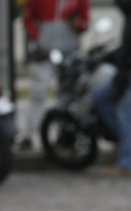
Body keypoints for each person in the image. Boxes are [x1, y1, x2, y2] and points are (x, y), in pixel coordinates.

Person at [19, 0, 90, 151]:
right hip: (46, 52)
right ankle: (29, 134)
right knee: (39, 90)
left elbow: (85, 22)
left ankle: (64, 133)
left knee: (68, 94)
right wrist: (39, 36)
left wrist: (78, 25)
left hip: (69, 51)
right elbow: (28, 18)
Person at [90, 0, 131, 176]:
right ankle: (124, 141)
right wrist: (110, 57)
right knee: (101, 98)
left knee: (128, 116)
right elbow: (128, 46)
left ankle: (126, 163)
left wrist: (130, 65)